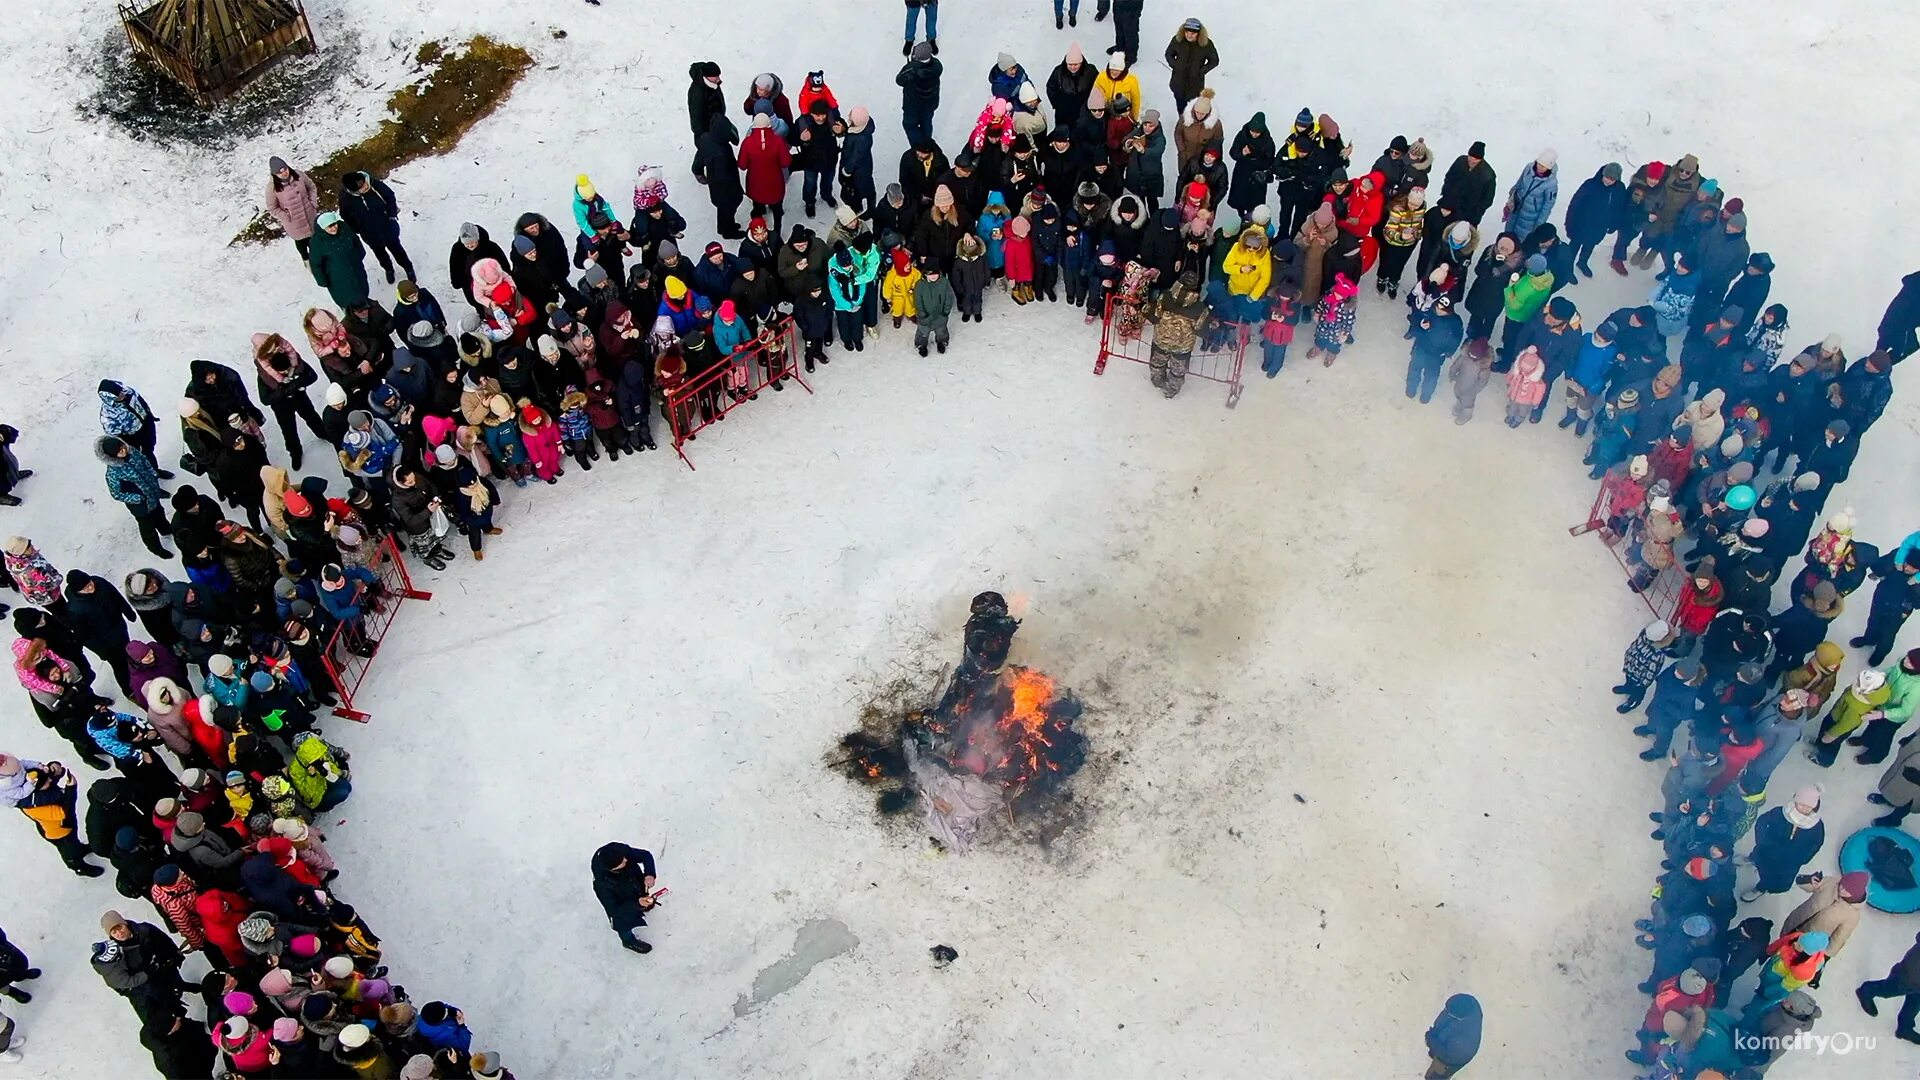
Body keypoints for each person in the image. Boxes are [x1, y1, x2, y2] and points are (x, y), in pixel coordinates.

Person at [2, 755, 102, 876]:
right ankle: (78, 866)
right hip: (58, 831)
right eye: (47, 781)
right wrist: (71, 789)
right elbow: (63, 812)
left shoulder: (35, 783)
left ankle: (79, 849)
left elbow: (46, 779)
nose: (51, 780)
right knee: (69, 851)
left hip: (67, 824)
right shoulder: (34, 806)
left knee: (73, 841)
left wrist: (54, 768)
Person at [1744, 787, 1824, 902]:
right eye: (1801, 804)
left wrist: (1801, 859)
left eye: (1809, 806)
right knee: (1759, 856)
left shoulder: (1816, 826)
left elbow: (1816, 845)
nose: (1804, 808)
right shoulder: (1781, 812)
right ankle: (1752, 859)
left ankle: (1760, 888)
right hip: (1768, 849)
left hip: (1787, 861)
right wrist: (1763, 842)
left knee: (1772, 877)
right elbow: (1762, 822)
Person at [338, 171, 416, 285]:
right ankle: (388, 269)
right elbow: (345, 215)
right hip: (369, 234)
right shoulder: (345, 198)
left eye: (364, 184)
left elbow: (389, 196)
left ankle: (408, 268)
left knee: (397, 250)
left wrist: (391, 214)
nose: (365, 187)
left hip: (387, 226)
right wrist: (357, 228)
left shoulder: (374, 184)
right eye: (361, 187)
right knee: (380, 254)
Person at [591, 842, 661, 955]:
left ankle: (643, 904)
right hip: (621, 901)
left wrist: (649, 874)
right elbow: (615, 910)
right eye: (622, 862)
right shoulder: (602, 886)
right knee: (622, 923)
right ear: (613, 869)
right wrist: (636, 903)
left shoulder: (619, 851)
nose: (626, 860)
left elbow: (645, 855)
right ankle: (628, 941)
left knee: (639, 890)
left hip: (633, 879)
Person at [1859, 931, 1920, 1044]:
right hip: (1912, 972)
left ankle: (1905, 1027)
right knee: (1891, 989)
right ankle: (1867, 990)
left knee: (1916, 1000)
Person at [694, 115, 747, 240]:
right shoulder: (720, 153)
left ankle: (722, 227)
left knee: (722, 211)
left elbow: (700, 157)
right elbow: (723, 177)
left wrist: (697, 170)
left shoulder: (706, 138)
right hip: (725, 191)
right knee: (728, 210)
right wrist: (736, 190)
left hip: (715, 188)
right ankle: (729, 232)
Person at [1405, 295, 1463, 403]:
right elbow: (1417, 324)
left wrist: (1448, 352)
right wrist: (1421, 327)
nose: (1438, 310)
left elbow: (1457, 339)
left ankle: (1426, 396)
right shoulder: (1430, 312)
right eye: (1438, 307)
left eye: (1442, 310)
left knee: (1431, 376)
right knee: (1414, 369)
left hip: (1436, 354)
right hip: (1421, 348)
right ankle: (1411, 389)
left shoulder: (1455, 322)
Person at [309, 212, 372, 310]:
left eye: (334, 224)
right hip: (337, 277)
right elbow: (316, 263)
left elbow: (356, 241)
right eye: (329, 227)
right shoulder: (317, 242)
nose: (334, 228)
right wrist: (322, 280)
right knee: (346, 297)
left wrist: (359, 256)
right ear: (322, 228)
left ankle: (365, 305)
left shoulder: (344, 229)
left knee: (361, 288)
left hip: (355, 268)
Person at [264, 157, 321, 261]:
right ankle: (307, 261)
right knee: (302, 243)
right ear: (274, 174)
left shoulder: (299, 175)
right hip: (294, 223)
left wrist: (313, 202)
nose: (284, 173)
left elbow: (311, 187)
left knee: (316, 241)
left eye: (285, 169)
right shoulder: (272, 188)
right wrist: (286, 216)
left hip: (310, 215)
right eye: (280, 172)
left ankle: (320, 260)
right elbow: (272, 208)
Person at [1163, 18, 1217, 117]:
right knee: (1180, 103)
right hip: (1178, 81)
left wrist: (1202, 71)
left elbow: (1214, 60)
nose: (1189, 35)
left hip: (1195, 83)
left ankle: (1192, 122)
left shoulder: (1206, 44)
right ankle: (1182, 120)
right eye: (1187, 32)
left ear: (1199, 33)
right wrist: (1175, 65)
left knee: (1193, 106)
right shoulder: (1177, 40)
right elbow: (1169, 54)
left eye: (1193, 33)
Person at [1501, 149, 1559, 242]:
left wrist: (1538, 224)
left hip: (1530, 218)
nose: (1540, 168)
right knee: (1507, 235)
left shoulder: (1551, 184)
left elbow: (1547, 206)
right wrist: (1511, 198)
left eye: (1544, 166)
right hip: (1516, 208)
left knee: (1520, 241)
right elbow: (1519, 184)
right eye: (1539, 164)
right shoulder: (1529, 168)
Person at [1423, 993, 1481, 1078]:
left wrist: (1432, 1042)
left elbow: (1447, 1056)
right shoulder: (1465, 1005)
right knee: (1435, 1050)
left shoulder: (1465, 1042)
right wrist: (1435, 1032)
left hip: (1451, 1061)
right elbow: (1445, 1017)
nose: (1447, 1013)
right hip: (1447, 1044)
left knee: (1435, 1075)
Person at [0, 928, 40, 1005]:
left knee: (20, 963)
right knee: (1, 985)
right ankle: (12, 992)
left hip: (3, 951)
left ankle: (22, 975)